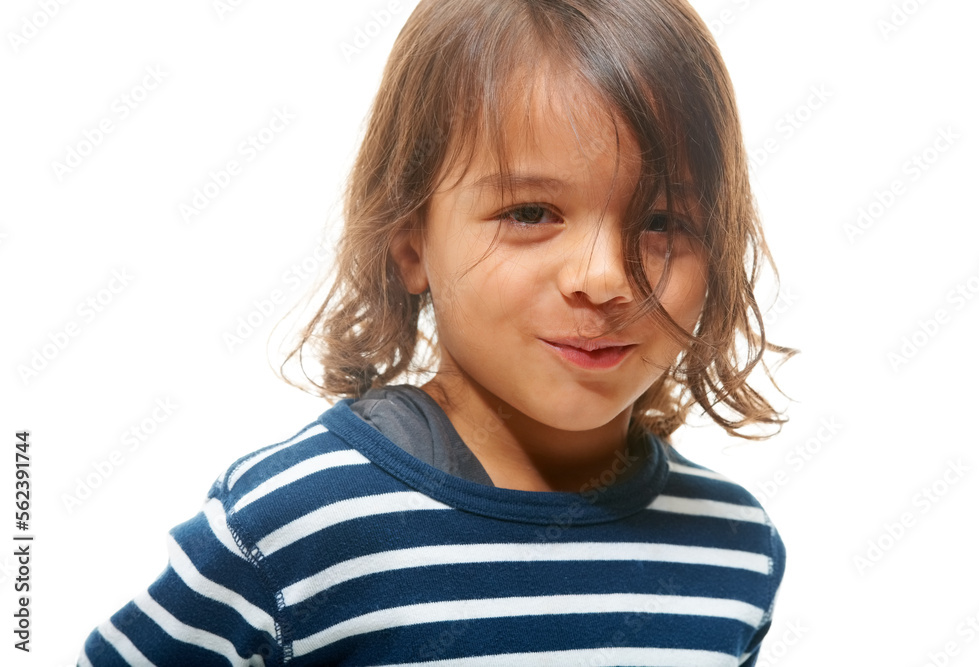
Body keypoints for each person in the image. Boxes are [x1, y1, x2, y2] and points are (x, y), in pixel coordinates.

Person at [78, 0, 797, 664]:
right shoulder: (295, 523)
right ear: (411, 239)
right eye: (530, 212)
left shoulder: (735, 548)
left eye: (662, 222)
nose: (604, 276)